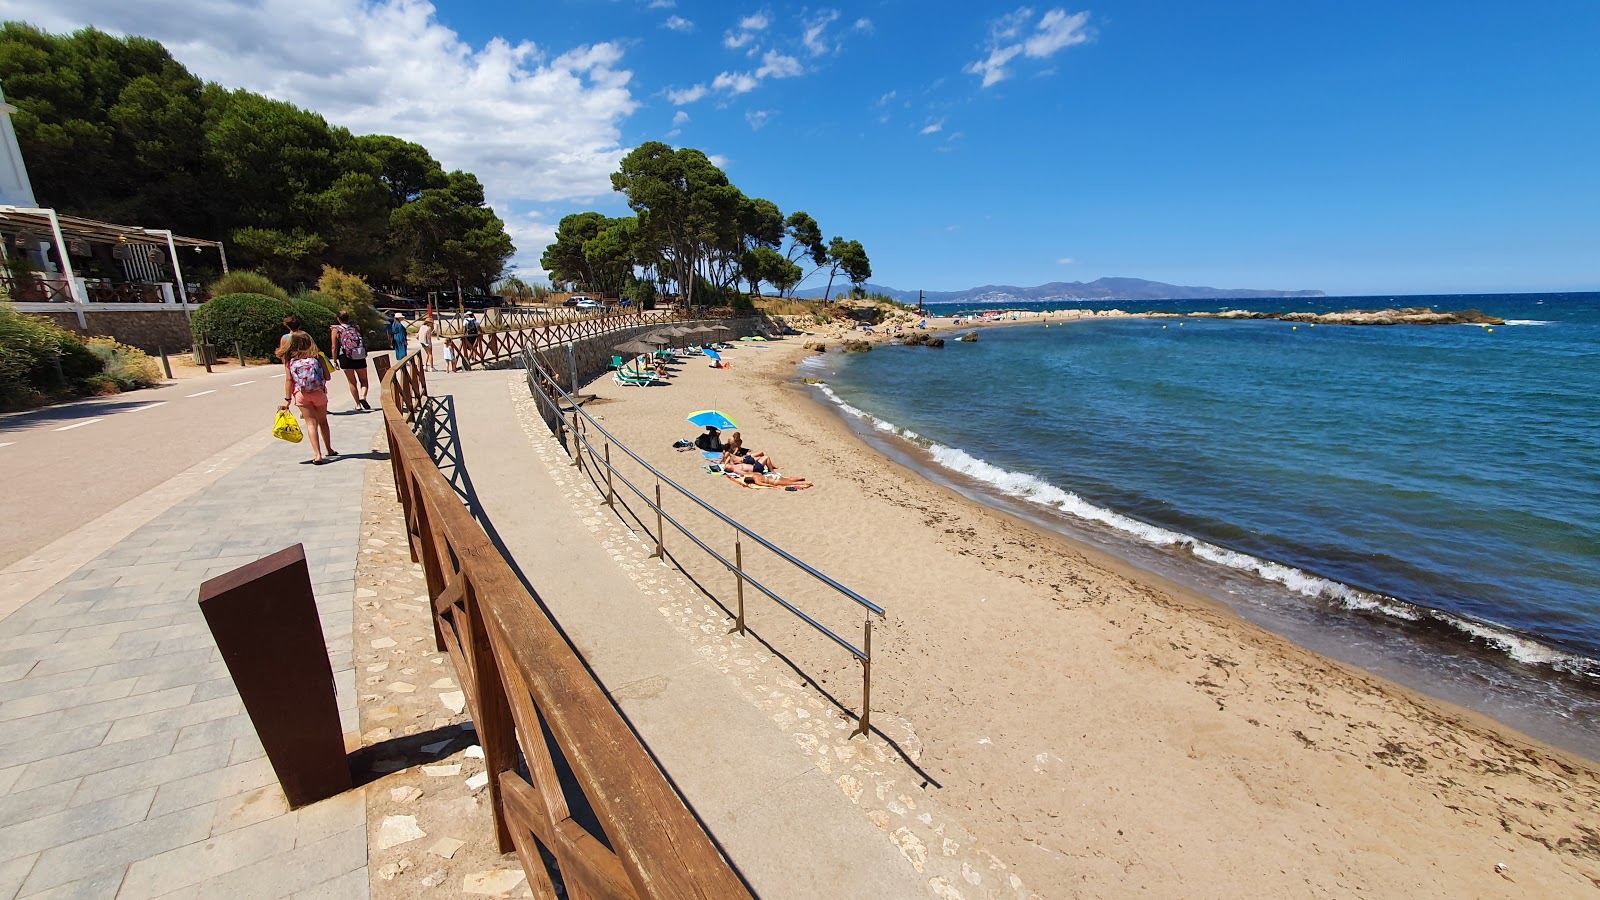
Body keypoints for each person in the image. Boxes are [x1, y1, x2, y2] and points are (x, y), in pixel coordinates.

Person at [277, 331, 337, 464]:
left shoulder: (290, 361)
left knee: (310, 424)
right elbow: (328, 377)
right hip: (319, 393)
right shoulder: (318, 357)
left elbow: (289, 380)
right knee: (323, 421)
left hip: (301, 395)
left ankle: (317, 455)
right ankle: (329, 449)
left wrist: (287, 400)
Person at [331, 312, 370, 410]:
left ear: (338, 319)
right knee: (364, 380)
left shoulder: (336, 330)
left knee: (352, 382)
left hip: (345, 357)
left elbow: (334, 347)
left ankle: (358, 405)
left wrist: (335, 360)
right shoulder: (356, 327)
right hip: (359, 355)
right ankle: (363, 396)